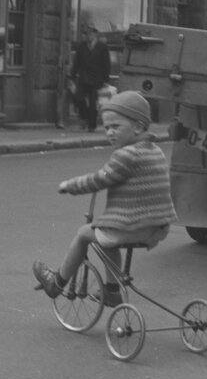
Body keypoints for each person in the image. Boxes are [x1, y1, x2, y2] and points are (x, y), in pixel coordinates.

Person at [32, 91, 175, 307]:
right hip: (156, 227)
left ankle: (57, 283)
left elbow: (101, 178)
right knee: (107, 240)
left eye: (115, 127)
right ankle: (111, 290)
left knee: (83, 235)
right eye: (106, 127)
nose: (109, 132)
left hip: (133, 225)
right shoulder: (155, 151)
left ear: (137, 127)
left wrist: (70, 186)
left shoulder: (126, 155)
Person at [70, 23, 110, 131]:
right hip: (84, 78)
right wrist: (72, 76)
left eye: (89, 34)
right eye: (85, 34)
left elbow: (106, 63)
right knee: (77, 98)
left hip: (97, 79)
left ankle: (91, 126)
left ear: (94, 34)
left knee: (93, 102)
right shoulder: (82, 46)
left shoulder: (102, 47)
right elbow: (76, 62)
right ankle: (84, 116)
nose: (87, 36)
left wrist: (106, 79)